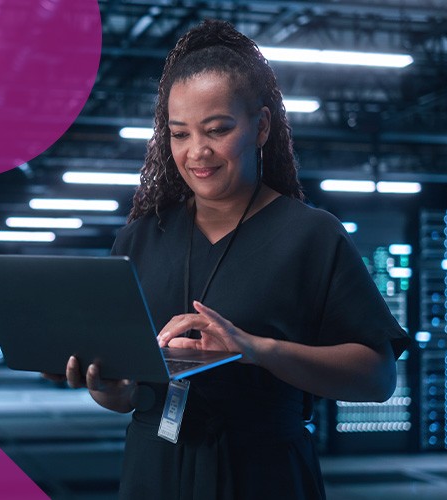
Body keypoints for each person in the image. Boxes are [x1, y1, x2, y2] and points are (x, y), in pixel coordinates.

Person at [51, 19, 411, 499]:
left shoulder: (310, 235)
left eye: (217, 130)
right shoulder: (139, 240)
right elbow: (129, 394)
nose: (197, 151)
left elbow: (378, 376)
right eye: (179, 134)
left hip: (263, 471)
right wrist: (108, 390)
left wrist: (255, 350)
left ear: (260, 127)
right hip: (155, 468)